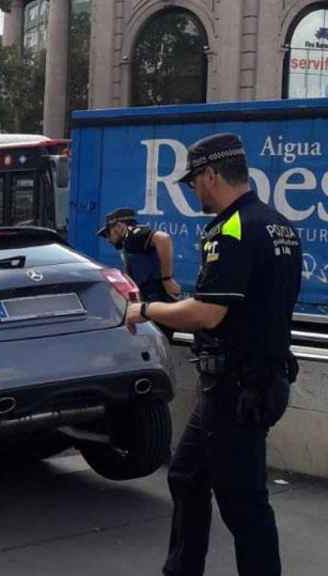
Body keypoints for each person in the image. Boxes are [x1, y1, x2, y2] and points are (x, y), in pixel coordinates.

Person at [124, 134, 301, 576]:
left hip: (238, 387)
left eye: (193, 183)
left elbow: (207, 312)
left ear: (210, 175)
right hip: (248, 379)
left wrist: (144, 308)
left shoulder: (232, 228)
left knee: (245, 508)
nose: (193, 192)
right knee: (186, 477)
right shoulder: (279, 223)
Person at [98, 207, 181, 338]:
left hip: (157, 296)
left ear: (119, 226)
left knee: (158, 339)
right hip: (150, 298)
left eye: (109, 234)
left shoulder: (134, 234)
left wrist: (167, 278)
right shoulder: (129, 242)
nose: (108, 239)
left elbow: (163, 238)